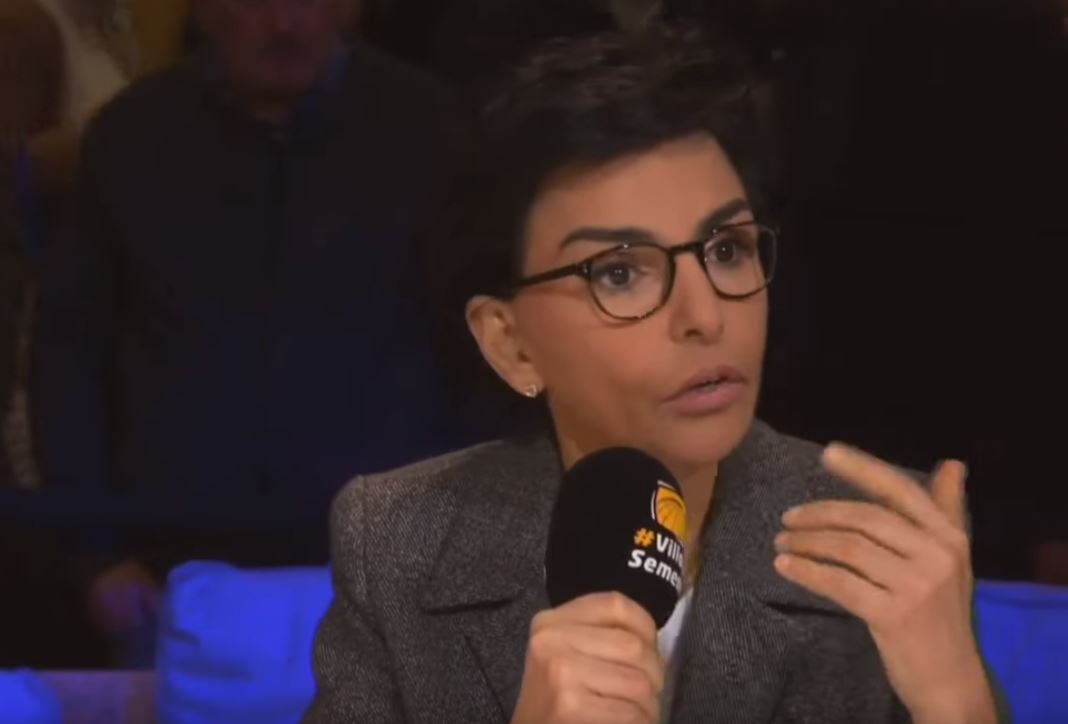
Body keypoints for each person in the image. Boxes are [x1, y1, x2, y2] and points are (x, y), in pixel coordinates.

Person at [305, 25, 1004, 723]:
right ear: (510, 343)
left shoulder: (893, 548)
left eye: (727, 250)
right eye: (619, 273)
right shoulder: (399, 542)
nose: (704, 316)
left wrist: (953, 698)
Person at [32, 0, 464, 664]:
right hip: (169, 571)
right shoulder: (132, 133)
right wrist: (95, 556)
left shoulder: (435, 129)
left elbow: (485, 353)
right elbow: (68, 356)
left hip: (393, 571)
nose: (284, 24)